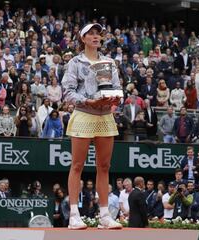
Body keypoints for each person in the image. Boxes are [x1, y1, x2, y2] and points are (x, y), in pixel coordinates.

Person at [62, 23, 122, 230]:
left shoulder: (109, 62)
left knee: (104, 167)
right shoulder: (75, 63)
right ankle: (73, 216)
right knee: (77, 165)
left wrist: (115, 99)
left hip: (105, 117)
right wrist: (89, 102)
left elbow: (116, 88)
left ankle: (105, 215)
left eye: (98, 34)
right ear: (83, 38)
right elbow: (68, 93)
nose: (96, 37)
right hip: (84, 115)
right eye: (91, 34)